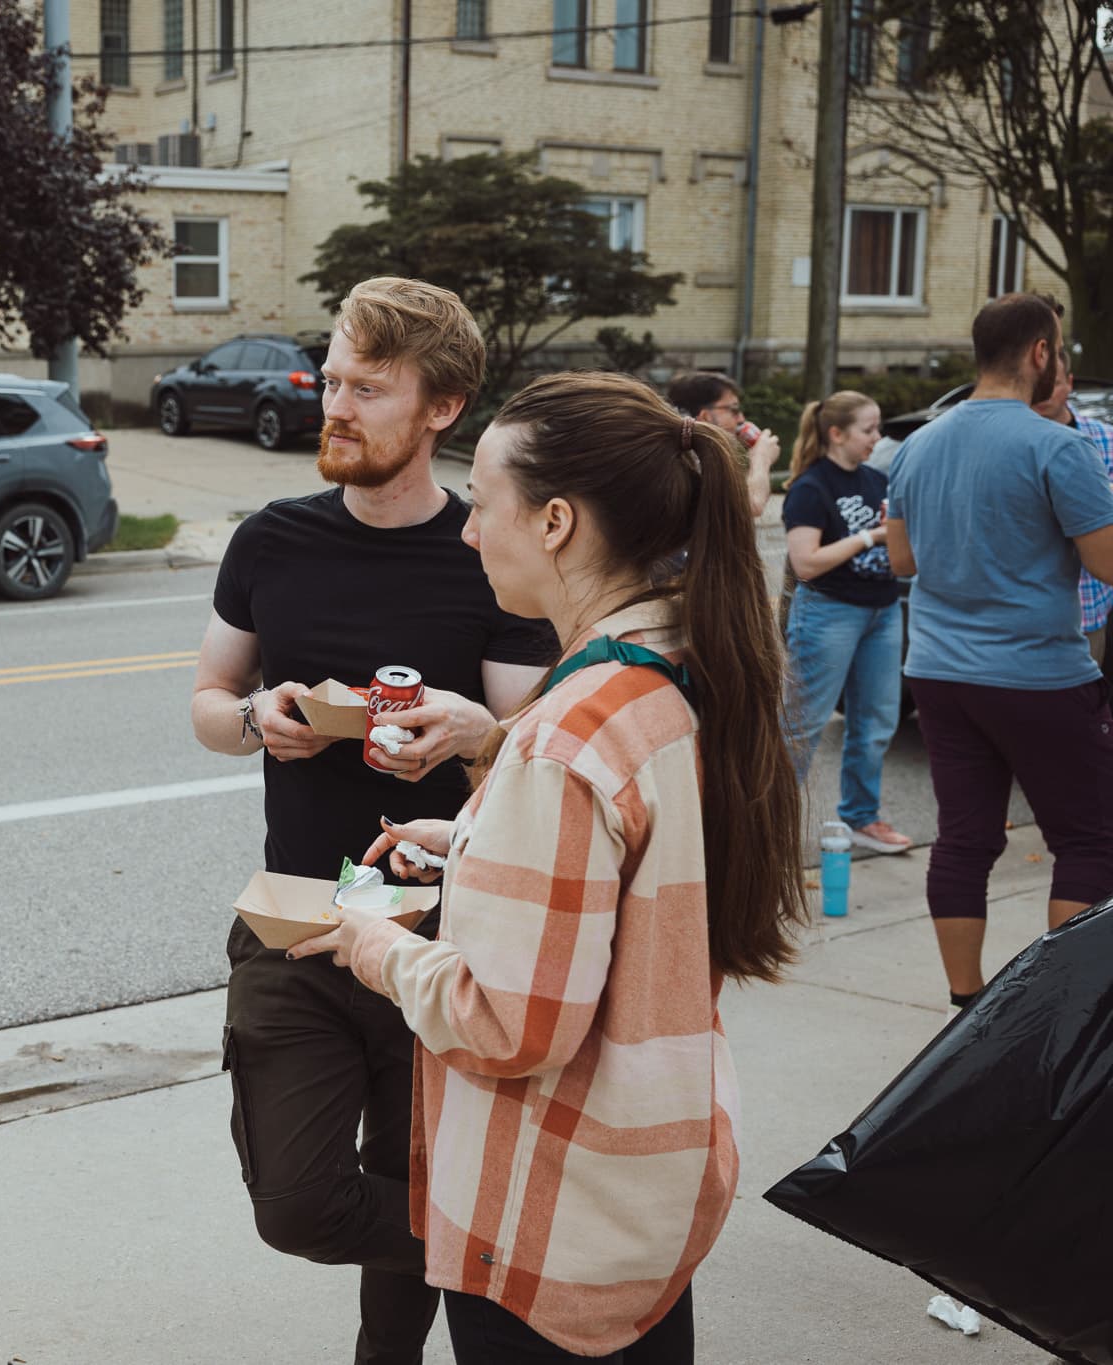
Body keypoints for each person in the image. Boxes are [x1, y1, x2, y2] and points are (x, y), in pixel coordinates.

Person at [290, 369, 808, 1363]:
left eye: (483, 505)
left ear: (556, 522)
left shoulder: (564, 737)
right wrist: (473, 843)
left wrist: (370, 941)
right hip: (643, 1189)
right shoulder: (678, 664)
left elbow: (507, 1025)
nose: (468, 532)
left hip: (550, 1216)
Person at [190, 276, 558, 1365]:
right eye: (332, 381)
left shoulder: (486, 553)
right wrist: (256, 718)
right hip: (296, 917)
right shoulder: (271, 539)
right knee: (298, 1204)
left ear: (442, 407)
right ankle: (502, 1248)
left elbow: (534, 753)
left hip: (442, 936)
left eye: (367, 388)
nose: (335, 407)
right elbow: (208, 701)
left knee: (406, 1192)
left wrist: (468, 732)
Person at [886, 292, 1113, 1007]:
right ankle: (1066, 1009)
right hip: (1037, 672)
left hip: (938, 671)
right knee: (1089, 839)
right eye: (1060, 350)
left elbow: (901, 561)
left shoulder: (919, 443)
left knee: (964, 838)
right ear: (1040, 353)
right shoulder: (1058, 446)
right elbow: (1107, 563)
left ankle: (968, 1004)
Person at [780, 389, 912, 854]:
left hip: (883, 612)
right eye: (868, 430)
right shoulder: (810, 487)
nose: (877, 438)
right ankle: (765, 827)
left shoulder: (877, 480)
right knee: (802, 726)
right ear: (836, 434)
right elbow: (806, 563)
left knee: (876, 722)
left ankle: (861, 818)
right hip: (828, 613)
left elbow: (898, 548)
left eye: (878, 428)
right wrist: (871, 536)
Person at [1030, 350, 1113, 668]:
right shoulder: (1015, 443)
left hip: (1090, 607)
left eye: (1053, 384)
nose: (1043, 394)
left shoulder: (1105, 438)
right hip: (1028, 614)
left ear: (1070, 383)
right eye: (1037, 384)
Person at [667, 370, 779, 518]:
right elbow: (751, 506)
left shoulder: (675, 451)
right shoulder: (692, 460)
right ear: (705, 416)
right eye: (734, 410)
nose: (741, 419)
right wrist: (761, 458)